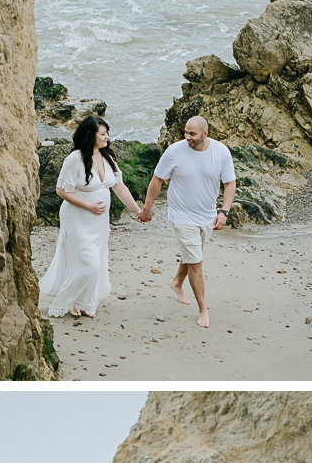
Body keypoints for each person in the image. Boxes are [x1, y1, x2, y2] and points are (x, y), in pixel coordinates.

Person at [40, 116, 144, 318]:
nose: (107, 138)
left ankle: (83, 302)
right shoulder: (75, 159)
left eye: (107, 133)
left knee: (95, 259)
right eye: (102, 134)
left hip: (99, 221)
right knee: (88, 262)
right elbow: (61, 190)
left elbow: (120, 188)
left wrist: (136, 210)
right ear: (90, 135)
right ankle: (66, 301)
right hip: (78, 216)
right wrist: (88, 205)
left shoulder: (108, 158)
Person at [137, 116, 236, 328]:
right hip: (181, 216)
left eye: (192, 134)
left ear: (205, 134)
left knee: (193, 255)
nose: (187, 137)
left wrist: (224, 212)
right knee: (197, 262)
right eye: (185, 133)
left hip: (207, 216)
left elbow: (229, 184)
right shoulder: (174, 151)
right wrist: (147, 208)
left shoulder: (221, 152)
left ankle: (176, 283)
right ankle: (203, 309)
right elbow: (157, 179)